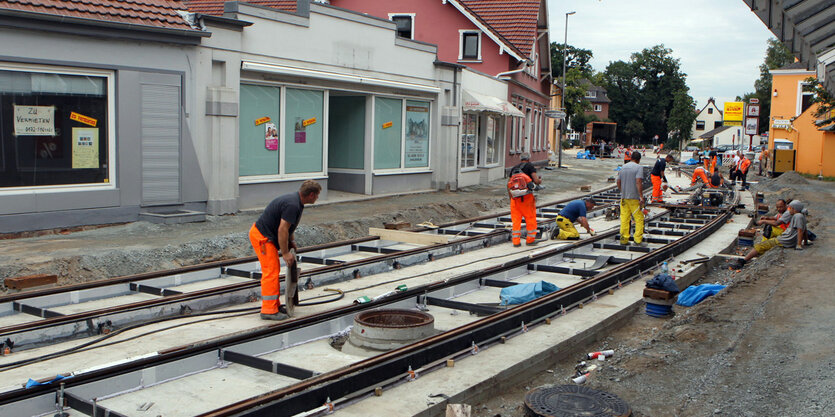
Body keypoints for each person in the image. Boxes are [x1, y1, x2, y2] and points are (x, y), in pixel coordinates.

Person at [249, 180, 321, 320]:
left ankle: (274, 305)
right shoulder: (293, 205)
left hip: (266, 235)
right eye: (317, 195)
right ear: (311, 195)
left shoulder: (296, 201)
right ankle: (268, 311)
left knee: (273, 270)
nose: (318, 198)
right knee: (271, 271)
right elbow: (282, 229)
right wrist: (286, 253)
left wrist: (291, 242)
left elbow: (289, 228)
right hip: (262, 237)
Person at [736, 200, 807, 268]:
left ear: (794, 209)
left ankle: (743, 261)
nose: (789, 210)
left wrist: (799, 245)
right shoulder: (801, 216)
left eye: (790, 208)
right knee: (766, 241)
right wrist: (806, 242)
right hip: (786, 239)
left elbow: (800, 230)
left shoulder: (797, 216)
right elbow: (804, 230)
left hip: (784, 240)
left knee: (760, 246)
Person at [507, 152, 542, 246]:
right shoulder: (530, 166)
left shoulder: (514, 168)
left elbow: (509, 185)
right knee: (530, 219)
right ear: (529, 158)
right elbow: (535, 181)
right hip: (526, 198)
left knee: (516, 221)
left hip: (514, 199)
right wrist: (539, 181)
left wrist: (511, 198)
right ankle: (530, 240)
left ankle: (516, 242)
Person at [617, 151, 645, 245]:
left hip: (624, 198)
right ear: (639, 160)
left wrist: (623, 191)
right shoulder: (638, 167)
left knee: (624, 219)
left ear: (631, 158)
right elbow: (638, 181)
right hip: (634, 198)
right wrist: (641, 196)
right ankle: (637, 240)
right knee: (639, 218)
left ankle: (624, 240)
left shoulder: (623, 167)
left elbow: (618, 182)